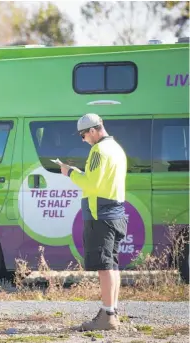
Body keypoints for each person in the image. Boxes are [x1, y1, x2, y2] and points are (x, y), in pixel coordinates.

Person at [59, 113, 128, 331]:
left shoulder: (98, 150)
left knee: (104, 267)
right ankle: (111, 311)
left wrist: (69, 172)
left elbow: (91, 183)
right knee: (112, 266)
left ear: (92, 131)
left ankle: (107, 316)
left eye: (83, 135)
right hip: (115, 214)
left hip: (101, 217)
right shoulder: (117, 148)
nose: (83, 139)